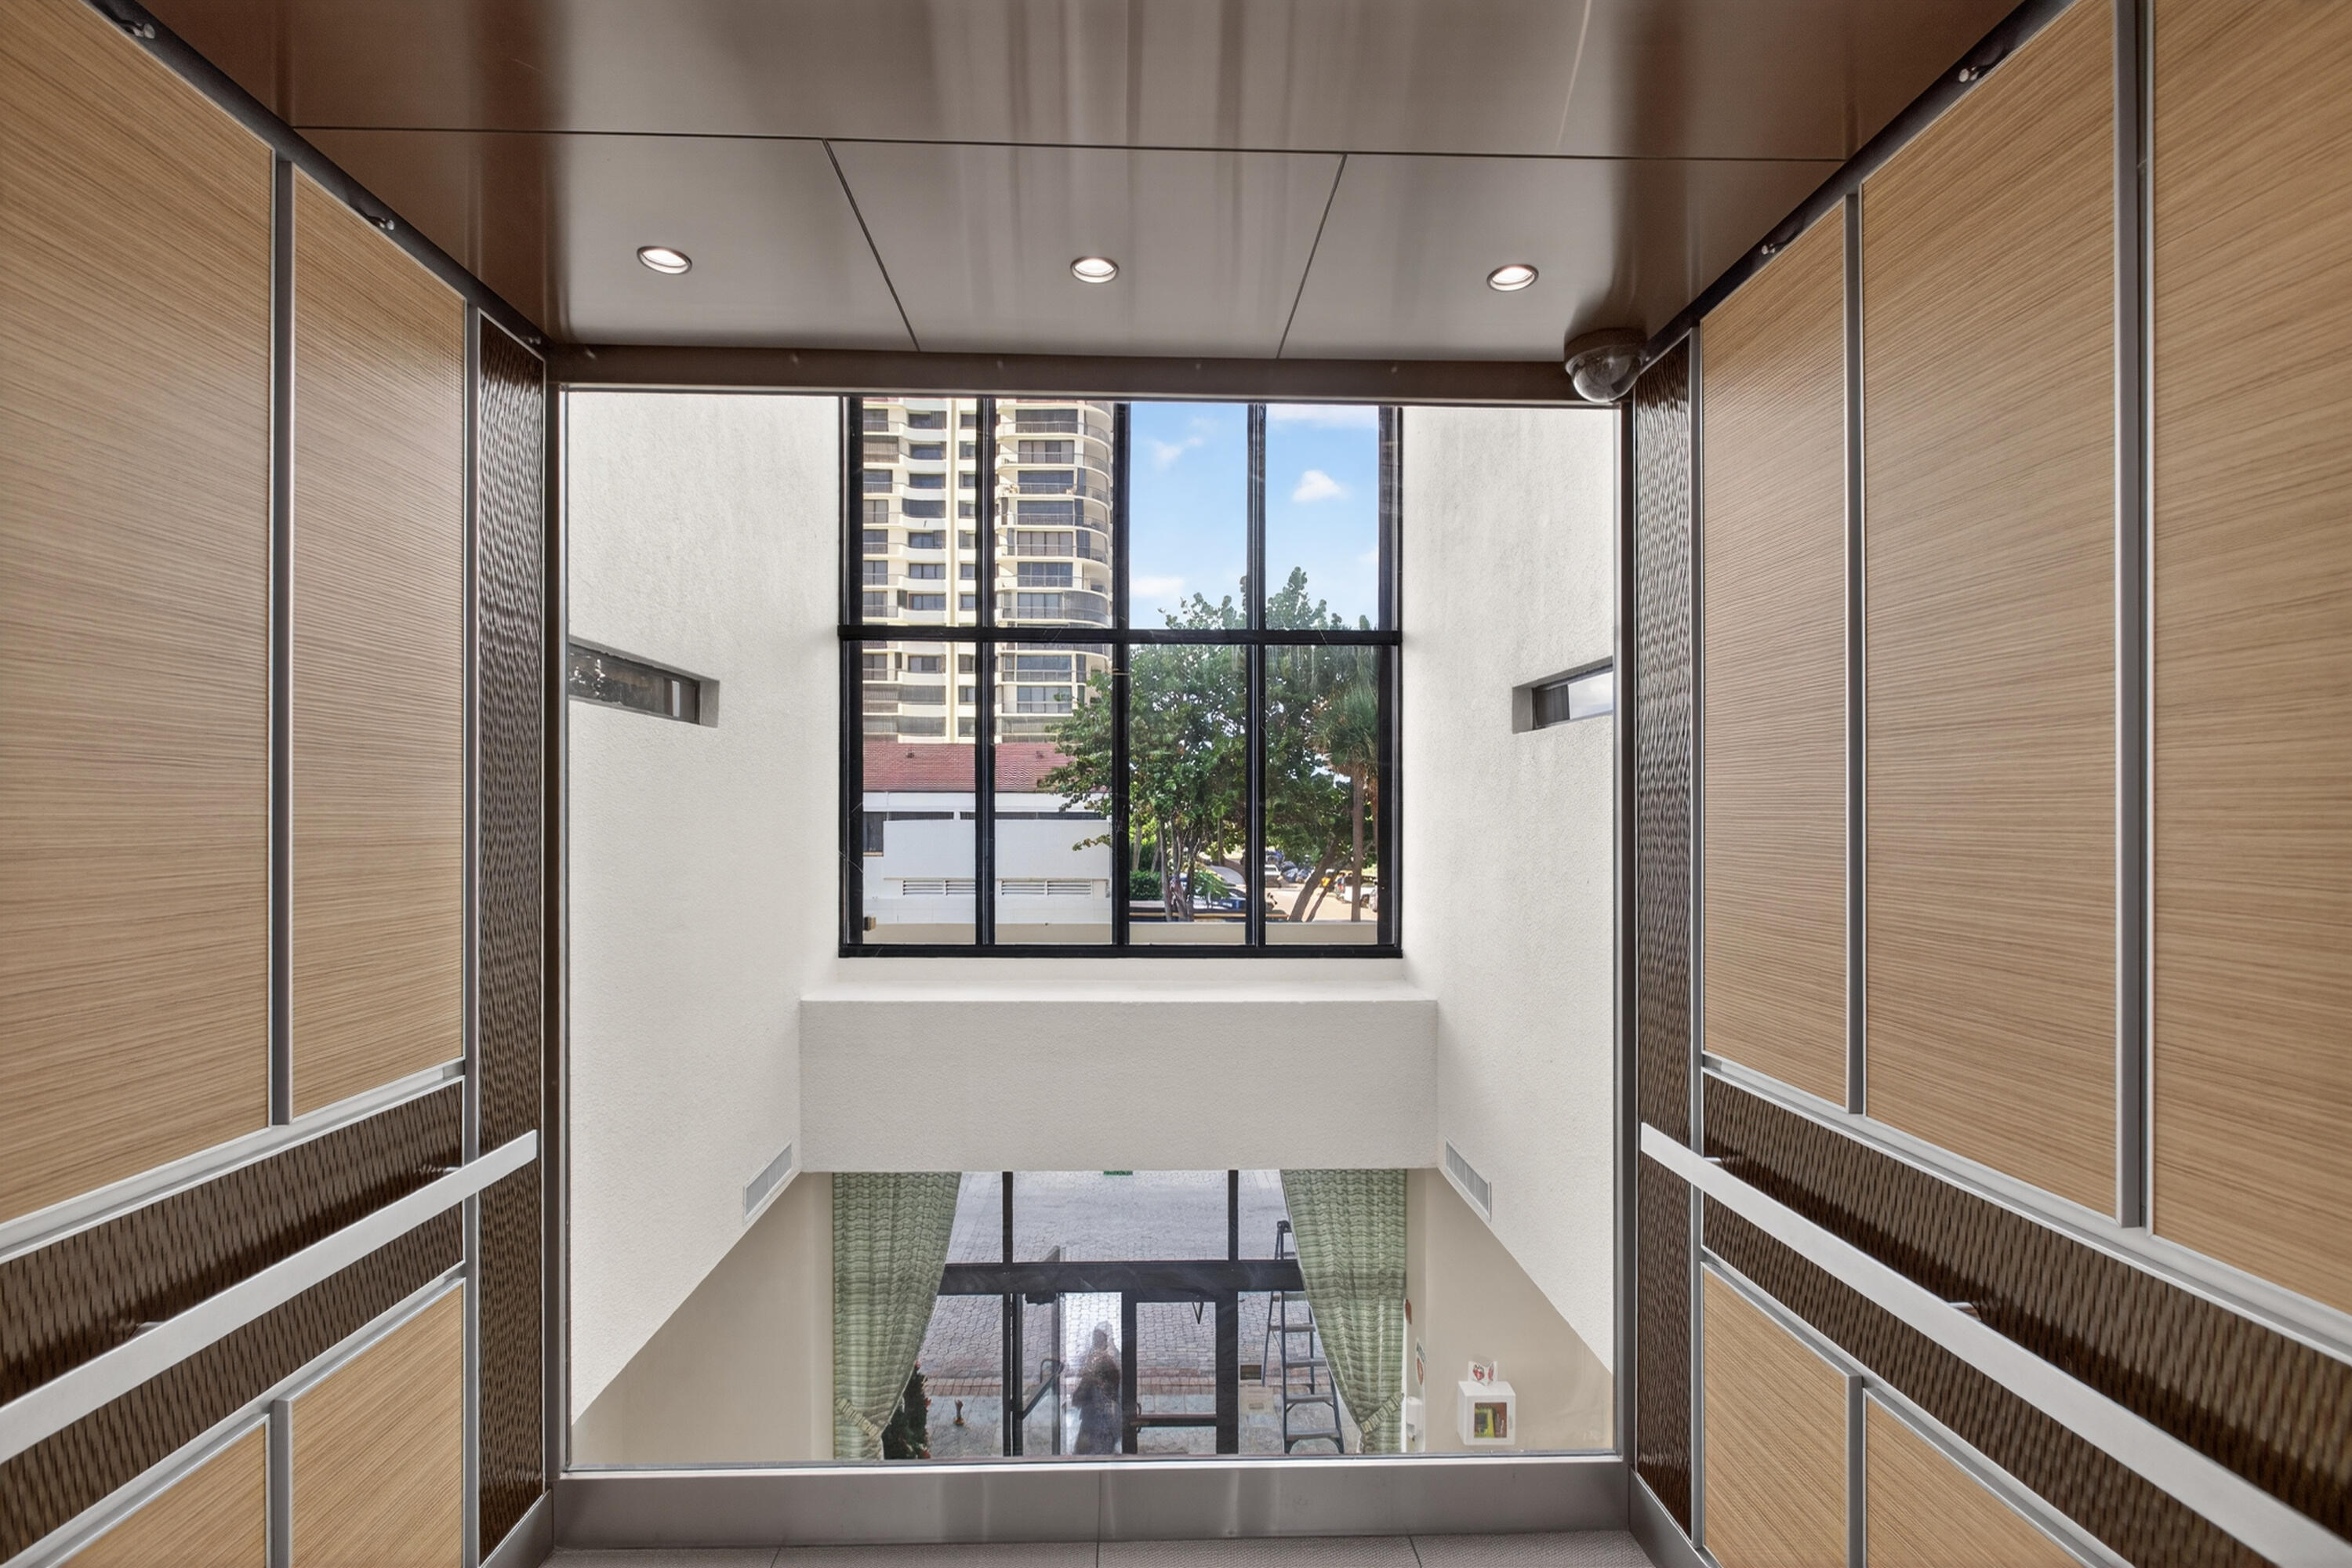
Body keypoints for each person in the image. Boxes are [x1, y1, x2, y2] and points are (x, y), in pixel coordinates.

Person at [1070, 1323, 1122, 1454]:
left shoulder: (1100, 1364)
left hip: (1096, 1426)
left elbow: (1077, 1399)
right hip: (1103, 1424)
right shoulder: (1099, 1362)